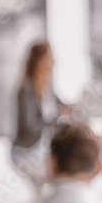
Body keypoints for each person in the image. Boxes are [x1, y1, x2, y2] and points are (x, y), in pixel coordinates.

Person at [12, 41, 69, 193]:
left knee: (44, 191)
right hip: (28, 151)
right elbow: (29, 126)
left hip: (43, 149)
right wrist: (56, 118)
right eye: (50, 58)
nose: (54, 63)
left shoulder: (48, 88)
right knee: (61, 176)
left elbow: (62, 108)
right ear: (39, 61)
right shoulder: (26, 91)